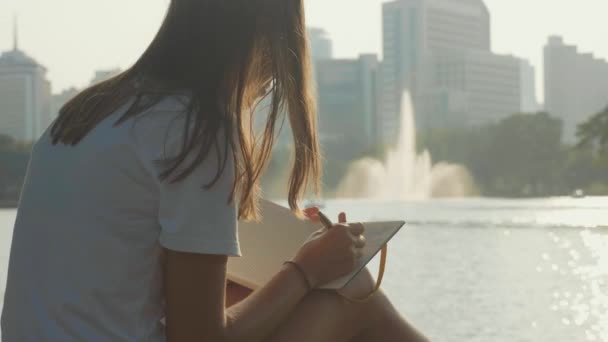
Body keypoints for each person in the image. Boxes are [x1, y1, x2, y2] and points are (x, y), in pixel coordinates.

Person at [1, 0, 429, 341]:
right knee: (354, 291)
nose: (268, 84)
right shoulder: (193, 130)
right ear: (262, 37)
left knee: (247, 291)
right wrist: (307, 269)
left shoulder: (87, 111)